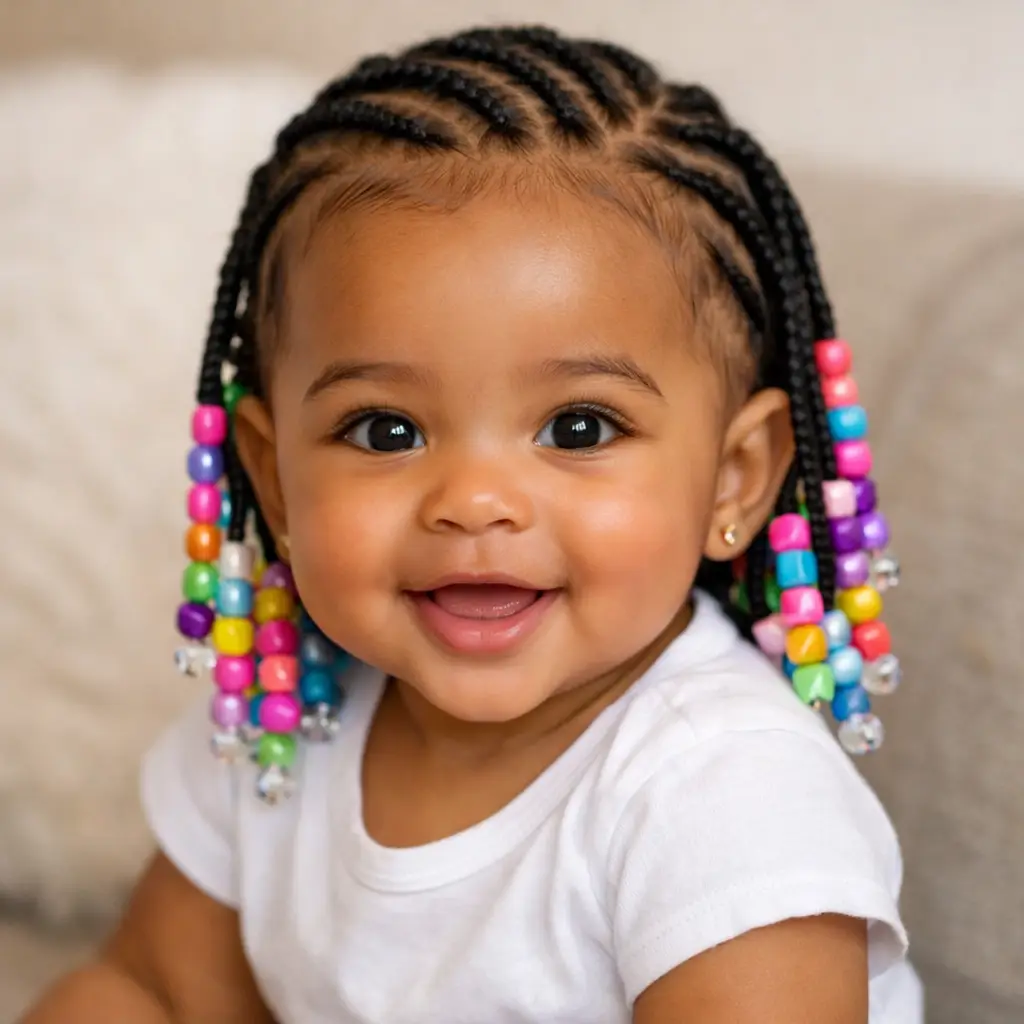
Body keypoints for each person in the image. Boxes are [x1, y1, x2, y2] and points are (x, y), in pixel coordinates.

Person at [23, 25, 923, 1023]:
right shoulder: (282, 732)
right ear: (273, 479)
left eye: (579, 427)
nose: (472, 499)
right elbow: (148, 986)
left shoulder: (723, 794)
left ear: (734, 480)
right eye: (385, 428)